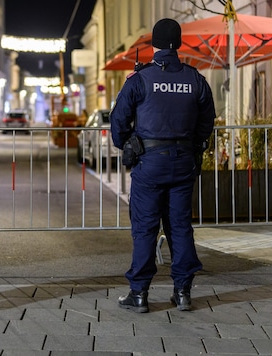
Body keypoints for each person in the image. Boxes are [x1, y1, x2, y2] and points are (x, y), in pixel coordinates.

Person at [110, 18, 216, 313]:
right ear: (178, 44)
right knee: (180, 227)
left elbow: (118, 119)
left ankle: (139, 294)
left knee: (145, 228)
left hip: (149, 163)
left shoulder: (141, 79)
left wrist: (127, 144)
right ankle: (182, 292)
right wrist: (194, 144)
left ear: (154, 44)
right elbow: (208, 119)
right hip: (183, 163)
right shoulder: (195, 78)